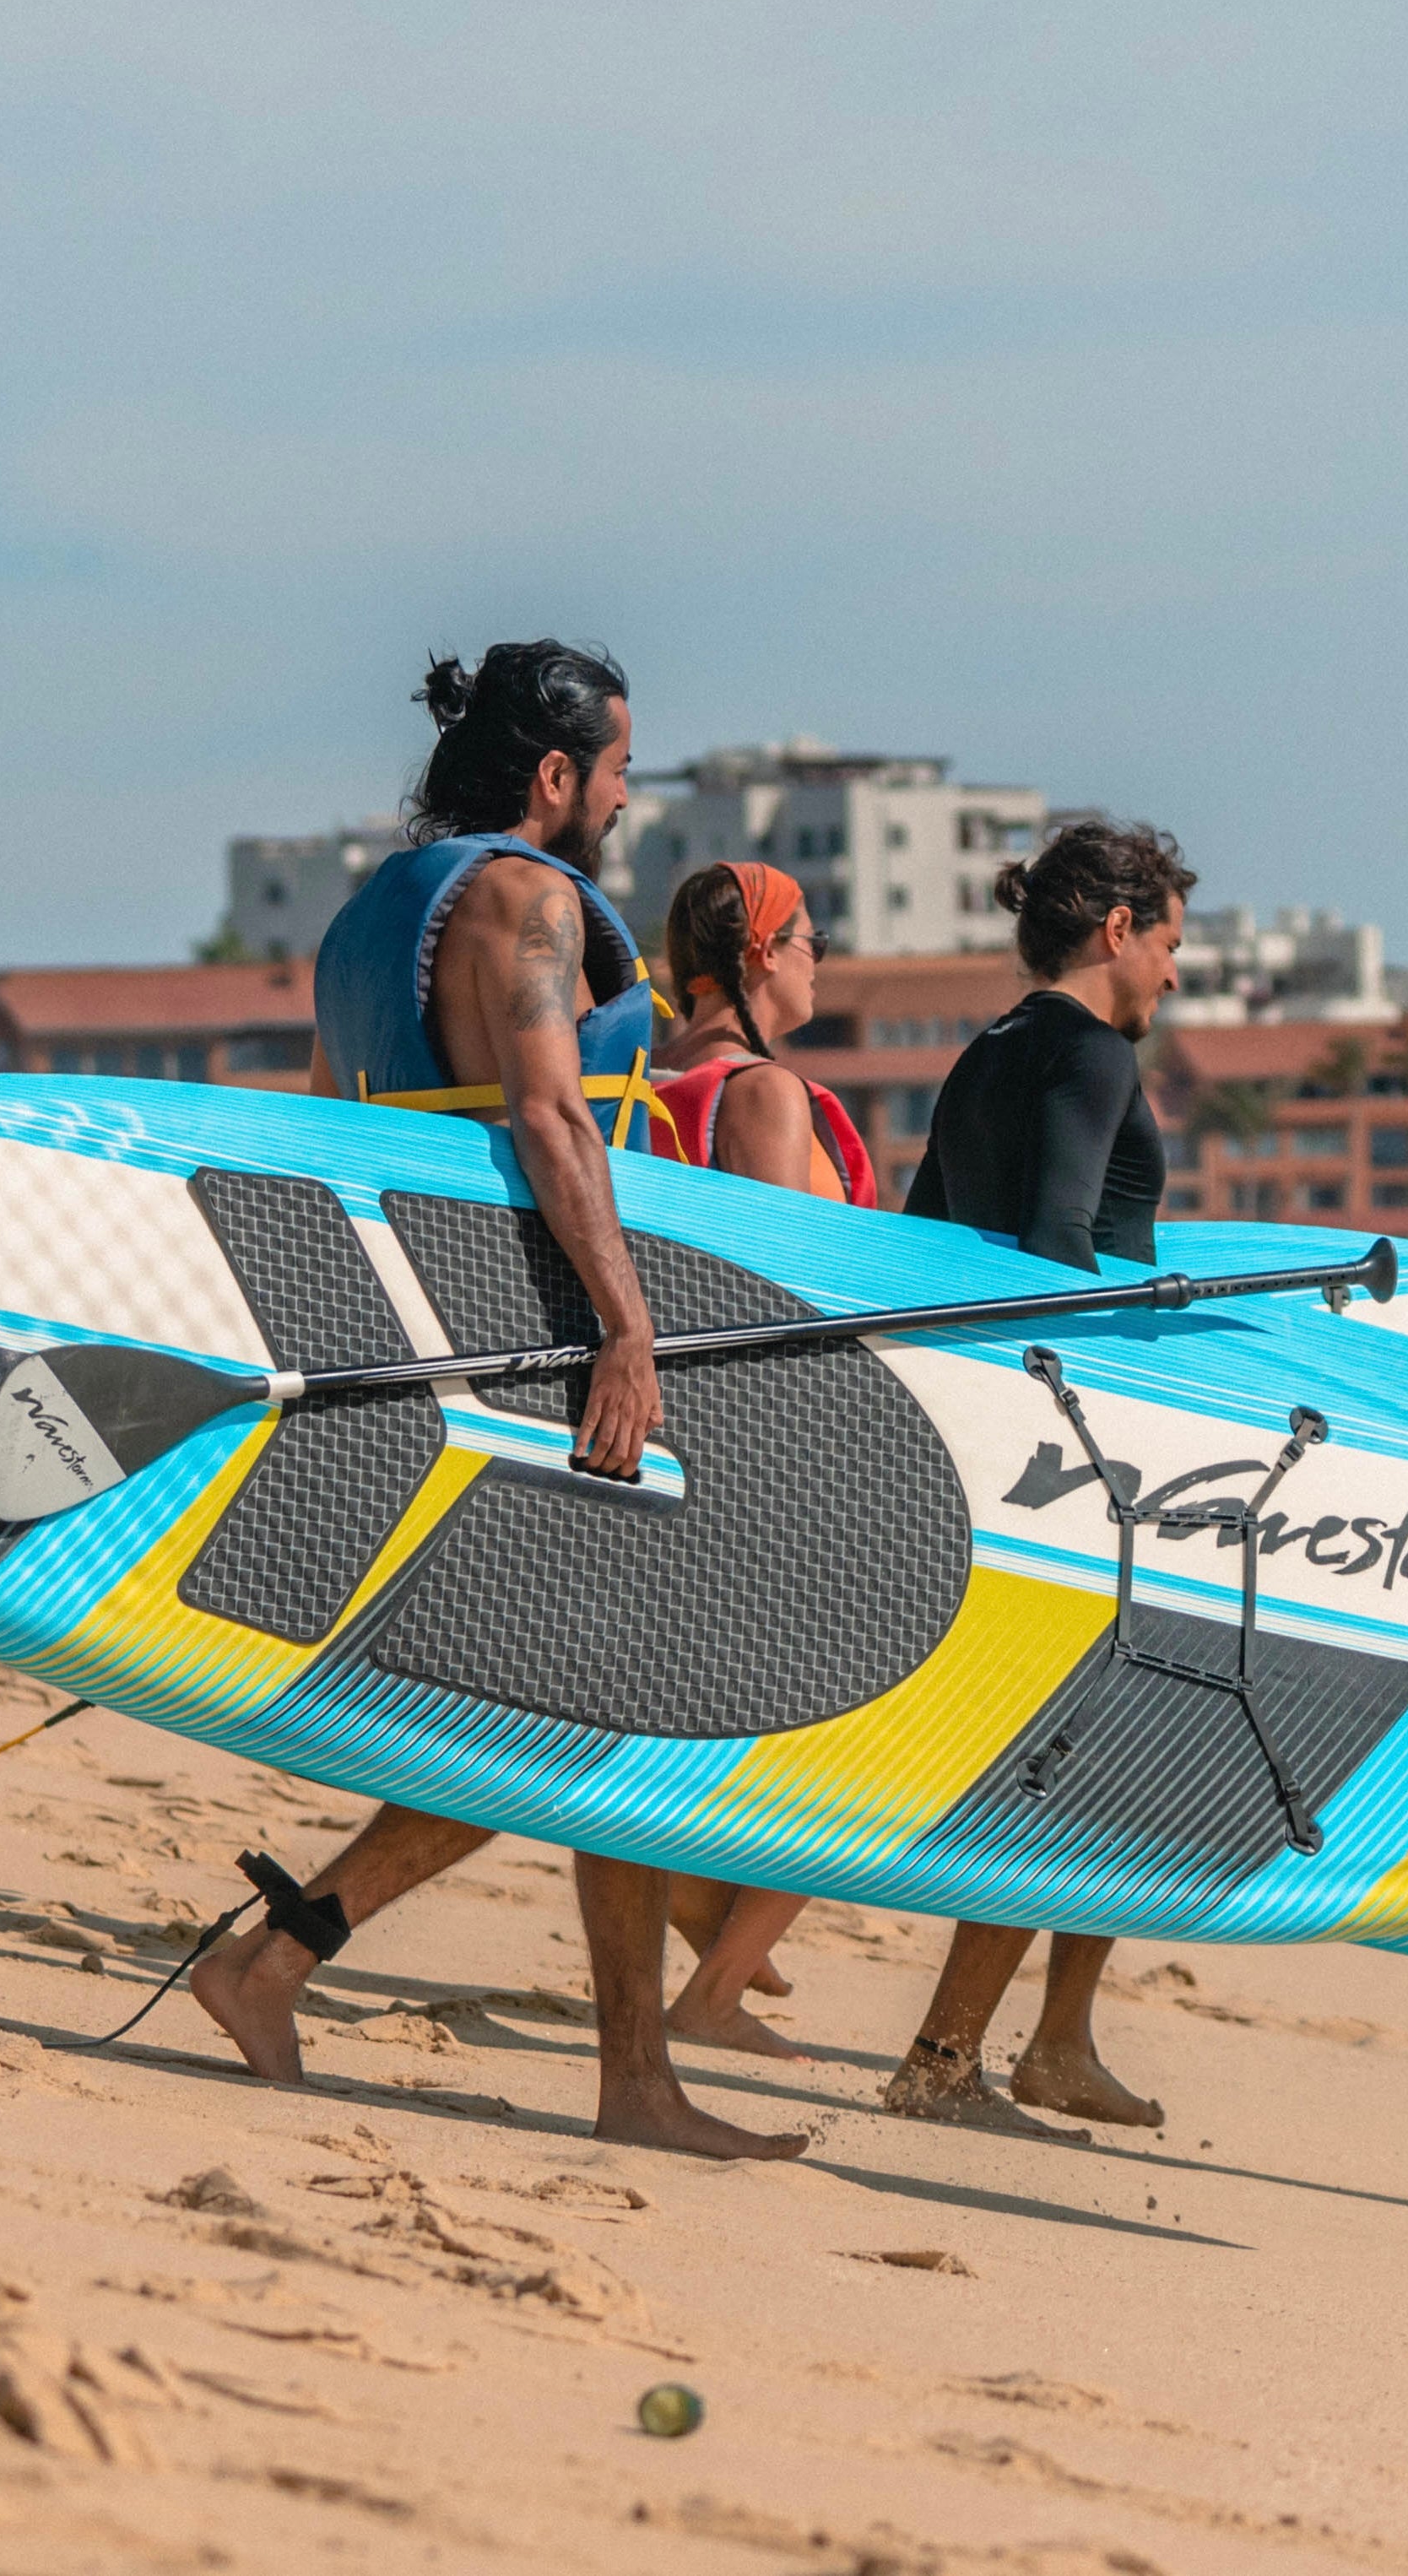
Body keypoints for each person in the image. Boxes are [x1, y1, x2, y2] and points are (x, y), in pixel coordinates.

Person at [189, 639, 805, 2164]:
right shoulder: (525, 901)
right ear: (553, 775)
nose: (618, 798)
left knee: (564, 1711)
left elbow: (347, 1135)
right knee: (595, 1705)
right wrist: (627, 1327)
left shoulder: (362, 922)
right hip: (537, 1341)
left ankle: (286, 1968)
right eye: (613, 770)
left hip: (434, 1331)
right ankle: (619, 2080)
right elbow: (546, 1117)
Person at [882, 816, 1196, 2142]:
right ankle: (947, 2057)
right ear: (1116, 929)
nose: (1177, 973)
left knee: (1100, 1751)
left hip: (994, 1423)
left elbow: (914, 1241)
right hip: (1076, 1445)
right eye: (1171, 941)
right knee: (1070, 1752)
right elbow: (1058, 1246)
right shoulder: (1087, 1052)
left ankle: (1057, 2038)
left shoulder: (988, 1051)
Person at [646, 859, 874, 2056]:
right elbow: (779, 1294)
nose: (819, 957)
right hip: (771, 1453)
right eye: (809, 936)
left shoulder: (649, 1080)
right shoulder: (763, 1094)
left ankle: (706, 1921)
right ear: (762, 955)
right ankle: (716, 1984)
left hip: (675, 1436)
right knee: (858, 1731)